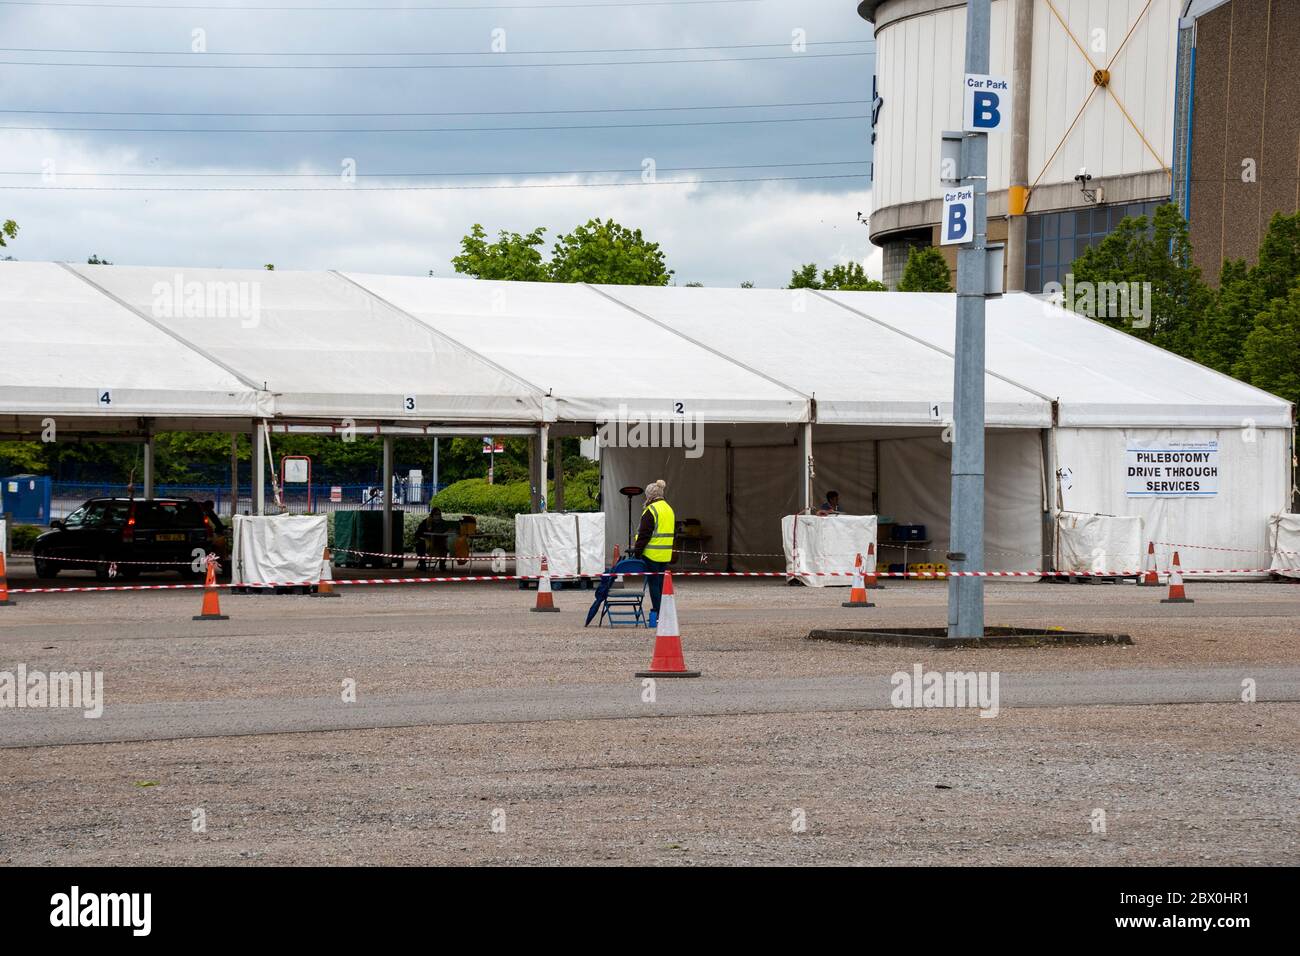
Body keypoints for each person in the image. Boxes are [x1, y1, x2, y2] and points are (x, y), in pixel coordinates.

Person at [630, 479, 674, 628]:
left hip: (651, 554)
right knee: (662, 585)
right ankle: (665, 612)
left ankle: (657, 611)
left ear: (649, 495)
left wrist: (637, 551)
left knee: (654, 585)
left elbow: (644, 534)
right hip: (665, 554)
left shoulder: (651, 510)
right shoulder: (668, 509)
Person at [414, 505, 453, 572]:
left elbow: (448, 531)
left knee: (445, 545)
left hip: (439, 541)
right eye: (436, 514)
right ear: (432, 515)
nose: (438, 516)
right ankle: (422, 565)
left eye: (439, 514)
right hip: (427, 541)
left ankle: (442, 565)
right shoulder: (426, 522)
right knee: (420, 544)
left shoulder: (443, 523)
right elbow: (418, 533)